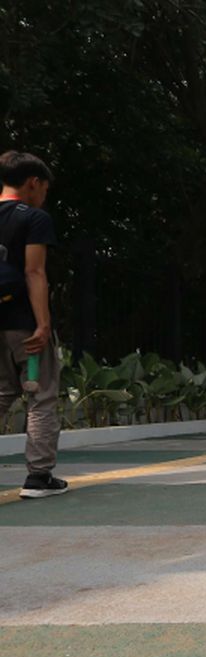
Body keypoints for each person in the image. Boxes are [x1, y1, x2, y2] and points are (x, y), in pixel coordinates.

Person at [0, 151, 67, 497]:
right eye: (44, 189)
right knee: (40, 396)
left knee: (0, 394)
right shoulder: (33, 218)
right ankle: (39, 477)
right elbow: (34, 271)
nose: (43, 196)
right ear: (33, 183)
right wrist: (43, 324)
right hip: (23, 324)